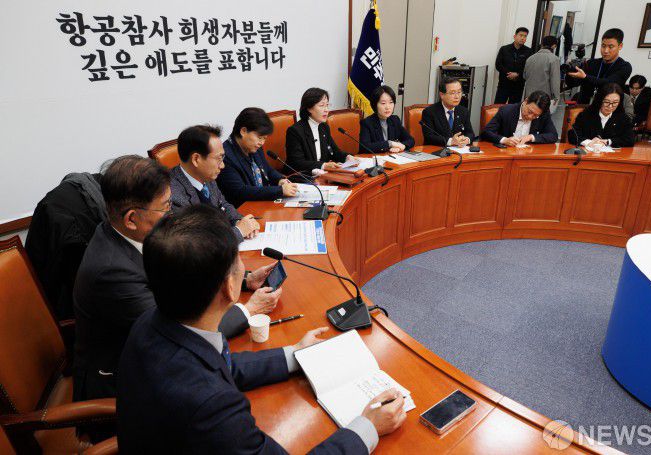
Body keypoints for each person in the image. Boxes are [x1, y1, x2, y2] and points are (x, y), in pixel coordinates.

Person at [117, 204, 407, 453]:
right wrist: (367, 428)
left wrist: (295, 354)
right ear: (230, 287)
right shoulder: (214, 406)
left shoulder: (151, 322)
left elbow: (220, 365)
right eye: (238, 261)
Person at [73, 156, 280, 413]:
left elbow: (181, 279)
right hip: (126, 386)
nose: (172, 214)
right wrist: (248, 310)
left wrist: (244, 279)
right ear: (131, 219)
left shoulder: (128, 234)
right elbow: (182, 329)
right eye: (166, 207)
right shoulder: (111, 273)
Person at [170, 124, 260, 241]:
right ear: (196, 159)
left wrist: (239, 221)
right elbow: (196, 241)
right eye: (219, 158)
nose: (222, 165)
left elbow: (223, 205)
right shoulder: (172, 194)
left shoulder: (206, 176)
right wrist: (239, 231)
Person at [217, 108, 298, 208]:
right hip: (243, 209)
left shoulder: (254, 147)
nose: (262, 143)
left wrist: (280, 180)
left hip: (263, 203)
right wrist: (280, 190)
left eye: (264, 138)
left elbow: (267, 169)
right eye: (259, 138)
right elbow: (240, 191)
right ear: (243, 131)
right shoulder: (225, 156)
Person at [285, 87, 358, 175]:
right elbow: (297, 163)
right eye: (322, 105)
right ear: (309, 108)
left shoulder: (323, 127)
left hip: (322, 175)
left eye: (327, 105)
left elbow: (334, 151)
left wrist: (347, 157)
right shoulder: (295, 131)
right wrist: (324, 165)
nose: (326, 110)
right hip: (302, 176)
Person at [565, 28, 632, 104]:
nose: (606, 51)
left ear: (620, 46)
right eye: (603, 46)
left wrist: (585, 77)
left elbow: (608, 83)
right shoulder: (591, 63)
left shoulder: (625, 67)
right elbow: (572, 84)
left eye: (610, 47)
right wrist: (570, 72)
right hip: (584, 108)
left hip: (607, 109)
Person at [568, 83, 634, 148]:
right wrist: (589, 142)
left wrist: (608, 141)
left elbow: (630, 139)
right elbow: (573, 134)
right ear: (600, 100)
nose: (610, 106)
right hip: (588, 152)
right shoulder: (586, 114)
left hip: (613, 154)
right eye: (607, 102)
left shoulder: (623, 118)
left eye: (615, 102)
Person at [481, 91, 558, 145]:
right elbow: (486, 132)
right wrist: (505, 140)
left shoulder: (543, 114)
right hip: (506, 153)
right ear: (526, 101)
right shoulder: (506, 111)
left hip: (529, 155)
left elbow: (553, 135)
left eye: (535, 115)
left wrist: (531, 137)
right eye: (529, 112)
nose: (530, 117)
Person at [420, 77, 475, 147]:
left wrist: (466, 139)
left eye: (459, 92)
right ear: (442, 95)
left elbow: (470, 133)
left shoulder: (463, 111)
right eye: (452, 93)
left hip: (459, 150)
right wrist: (451, 141)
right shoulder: (429, 112)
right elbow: (429, 137)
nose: (457, 96)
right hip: (436, 150)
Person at [359, 85, 415, 153]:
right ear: (375, 105)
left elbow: (411, 140)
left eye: (391, 102)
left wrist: (401, 147)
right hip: (375, 158)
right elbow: (365, 147)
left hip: (392, 157)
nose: (388, 107)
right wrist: (390, 144)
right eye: (383, 103)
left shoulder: (395, 120)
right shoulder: (367, 123)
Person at [494, 27, 532, 104]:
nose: (523, 38)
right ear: (515, 36)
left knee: (514, 108)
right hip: (504, 84)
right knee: (498, 106)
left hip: (518, 85)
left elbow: (528, 68)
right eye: (521, 35)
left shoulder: (528, 51)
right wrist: (509, 74)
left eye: (525, 36)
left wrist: (517, 74)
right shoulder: (504, 49)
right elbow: (498, 64)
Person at [523, 35, 560, 111]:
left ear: (542, 44)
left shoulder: (530, 58)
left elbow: (524, 76)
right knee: (542, 117)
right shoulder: (554, 59)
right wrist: (556, 97)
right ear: (554, 46)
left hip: (529, 96)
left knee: (529, 116)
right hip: (543, 98)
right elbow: (555, 80)